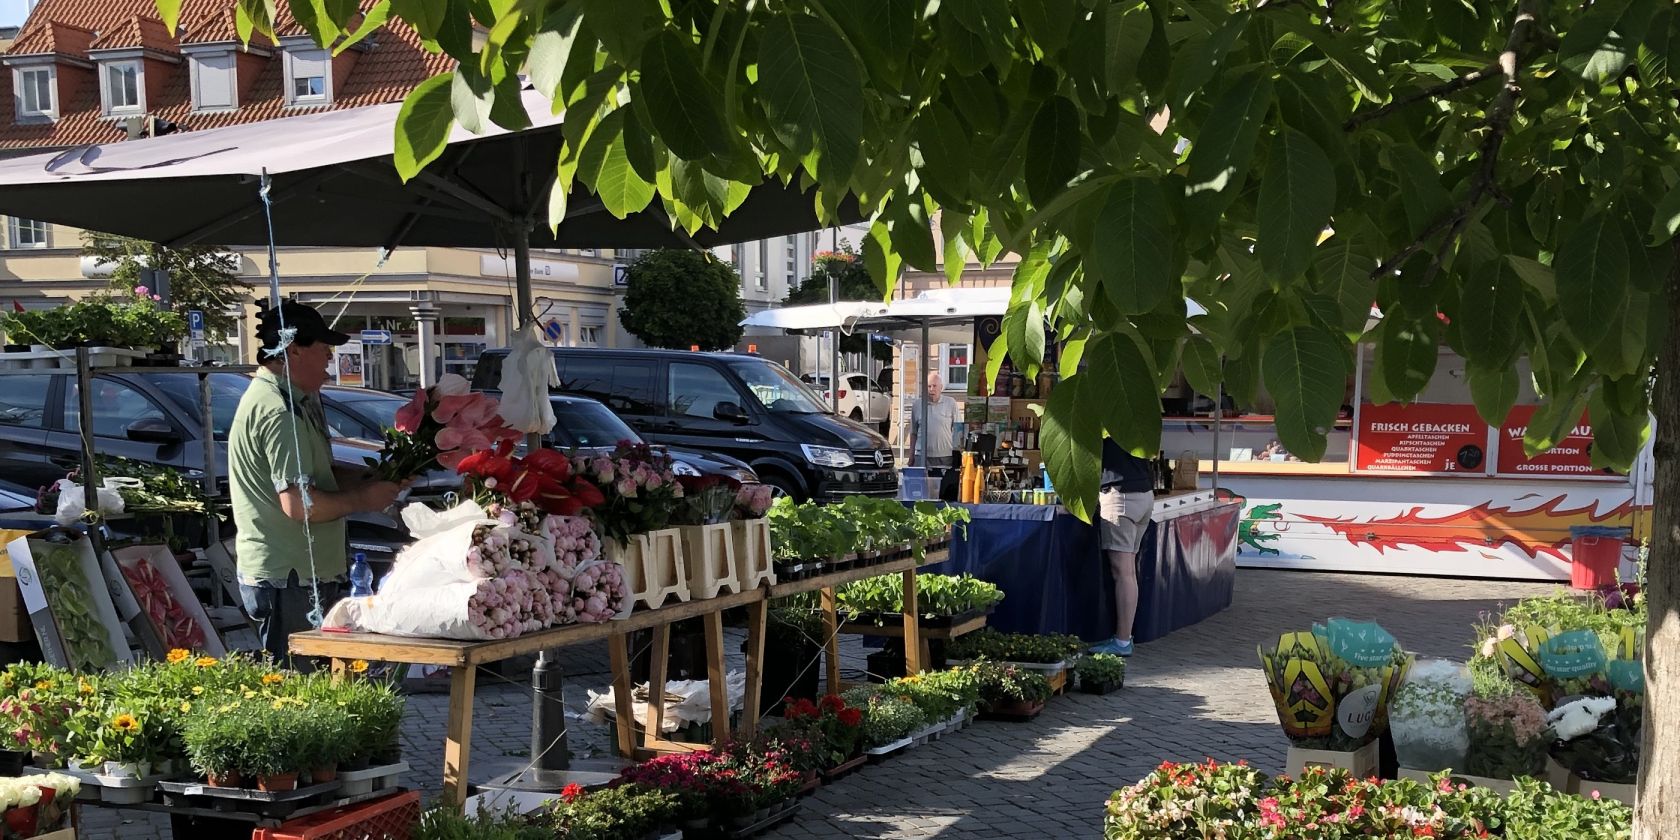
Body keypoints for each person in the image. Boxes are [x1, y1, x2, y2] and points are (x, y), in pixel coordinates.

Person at [230, 301, 405, 666]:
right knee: (298, 692)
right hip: (288, 578)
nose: (329, 357)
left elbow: (316, 474)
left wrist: (374, 477)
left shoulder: (296, 401)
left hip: (302, 573)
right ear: (293, 349)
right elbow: (298, 503)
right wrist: (363, 498)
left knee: (313, 687)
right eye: (323, 349)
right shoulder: (277, 410)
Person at [1090, 438, 1154, 657]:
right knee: (1129, 572)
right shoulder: (1132, 418)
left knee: (1123, 573)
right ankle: (1125, 636)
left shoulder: (1102, 422)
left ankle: (1122, 640)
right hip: (1144, 494)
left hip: (1120, 496)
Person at [909, 372, 961, 470]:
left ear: (941, 387)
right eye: (929, 386)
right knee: (923, 484)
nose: (931, 389)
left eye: (934, 386)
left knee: (944, 484)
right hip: (922, 456)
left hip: (945, 456)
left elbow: (958, 429)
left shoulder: (951, 403)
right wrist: (911, 455)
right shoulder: (917, 405)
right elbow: (913, 433)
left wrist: (958, 453)